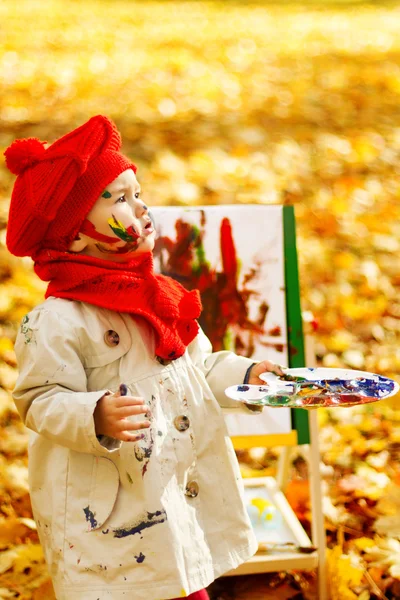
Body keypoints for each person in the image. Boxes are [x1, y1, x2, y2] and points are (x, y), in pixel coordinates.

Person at [5, 115, 283, 600]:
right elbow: (38, 398)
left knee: (180, 575)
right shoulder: (57, 320)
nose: (140, 206)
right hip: (111, 506)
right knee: (130, 586)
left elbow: (198, 368)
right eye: (118, 200)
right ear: (75, 236)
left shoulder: (160, 295)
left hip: (168, 484)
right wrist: (93, 414)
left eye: (137, 193)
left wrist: (247, 375)